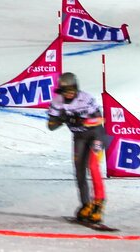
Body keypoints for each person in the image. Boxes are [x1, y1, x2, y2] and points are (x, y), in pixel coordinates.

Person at [46, 73, 107, 227]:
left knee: (93, 166)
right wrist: (62, 119)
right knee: (79, 171)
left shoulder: (86, 98)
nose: (69, 94)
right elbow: (51, 126)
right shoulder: (57, 101)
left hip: (96, 134)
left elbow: (100, 119)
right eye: (66, 91)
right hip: (79, 137)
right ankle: (86, 204)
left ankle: (98, 204)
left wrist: (81, 120)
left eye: (72, 91)